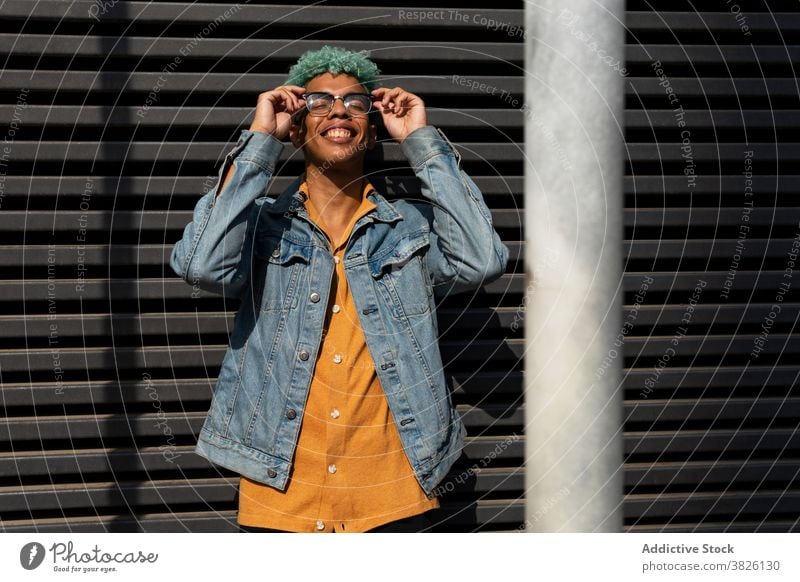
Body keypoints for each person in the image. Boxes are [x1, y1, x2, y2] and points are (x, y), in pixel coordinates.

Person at [170, 45, 509, 533]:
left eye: (354, 102)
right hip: (281, 489)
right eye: (319, 102)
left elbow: (482, 260)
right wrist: (262, 138)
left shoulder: (411, 228)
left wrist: (420, 140)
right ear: (298, 125)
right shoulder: (261, 226)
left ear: (371, 128)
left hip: (394, 488)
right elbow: (202, 265)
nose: (337, 111)